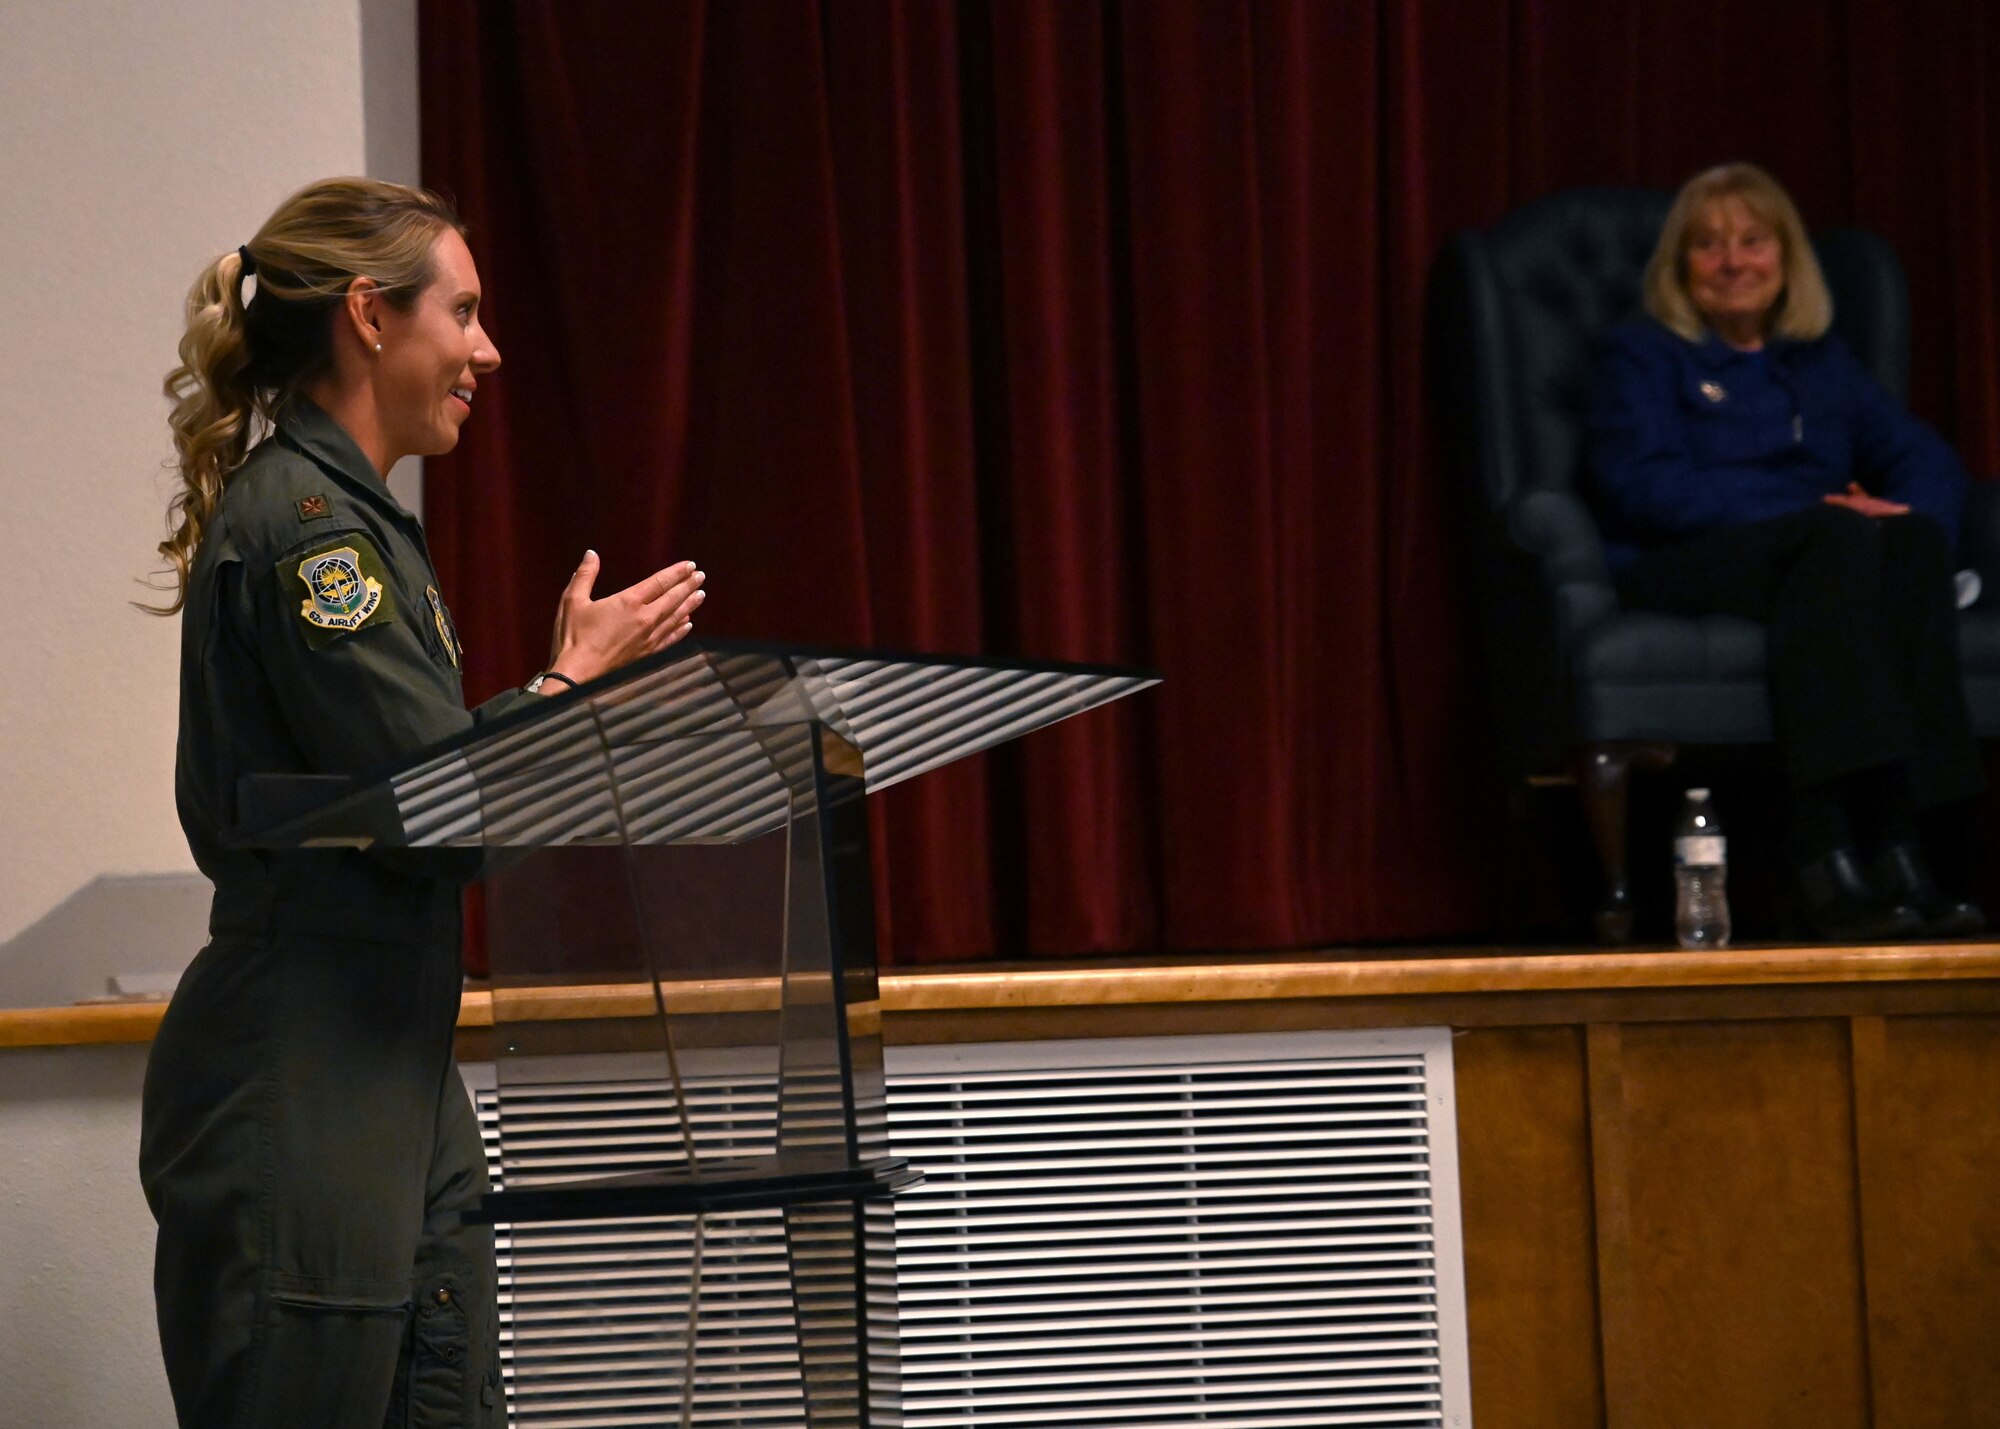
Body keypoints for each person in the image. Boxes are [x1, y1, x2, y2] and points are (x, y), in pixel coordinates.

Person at [137, 177, 706, 1427]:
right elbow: (438, 809)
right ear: (370, 315)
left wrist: (564, 694)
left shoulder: (360, 520)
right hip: (303, 1070)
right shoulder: (308, 531)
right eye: (465, 310)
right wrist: (565, 684)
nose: (488, 351)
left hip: (386, 1058)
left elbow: (416, 783)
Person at [1589, 161, 1984, 942]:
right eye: (1708, 245)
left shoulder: (1818, 362)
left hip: (1813, 557)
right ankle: (1826, 851)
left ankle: (1898, 850)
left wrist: (1903, 509)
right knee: (1839, 537)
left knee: (1903, 538)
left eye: (1752, 240)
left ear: (1786, 256)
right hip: (1682, 558)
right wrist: (1815, 510)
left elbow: (1928, 460)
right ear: (1680, 266)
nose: (1733, 260)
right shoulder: (1641, 355)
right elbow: (1642, 487)